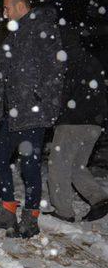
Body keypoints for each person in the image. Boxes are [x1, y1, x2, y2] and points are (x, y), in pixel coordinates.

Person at [0, 0, 65, 238]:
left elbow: (56, 70)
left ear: (18, 6)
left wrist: (43, 102)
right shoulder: (14, 33)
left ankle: (30, 217)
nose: (4, 13)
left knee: (29, 166)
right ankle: (7, 210)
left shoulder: (41, 29)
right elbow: (4, 73)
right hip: (13, 113)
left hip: (33, 112)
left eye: (6, 8)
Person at [46, 26, 108, 222]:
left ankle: (63, 211)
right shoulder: (91, 60)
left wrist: (53, 113)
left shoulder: (67, 62)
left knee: (58, 166)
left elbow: (63, 93)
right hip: (94, 124)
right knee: (76, 166)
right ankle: (99, 199)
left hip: (73, 122)